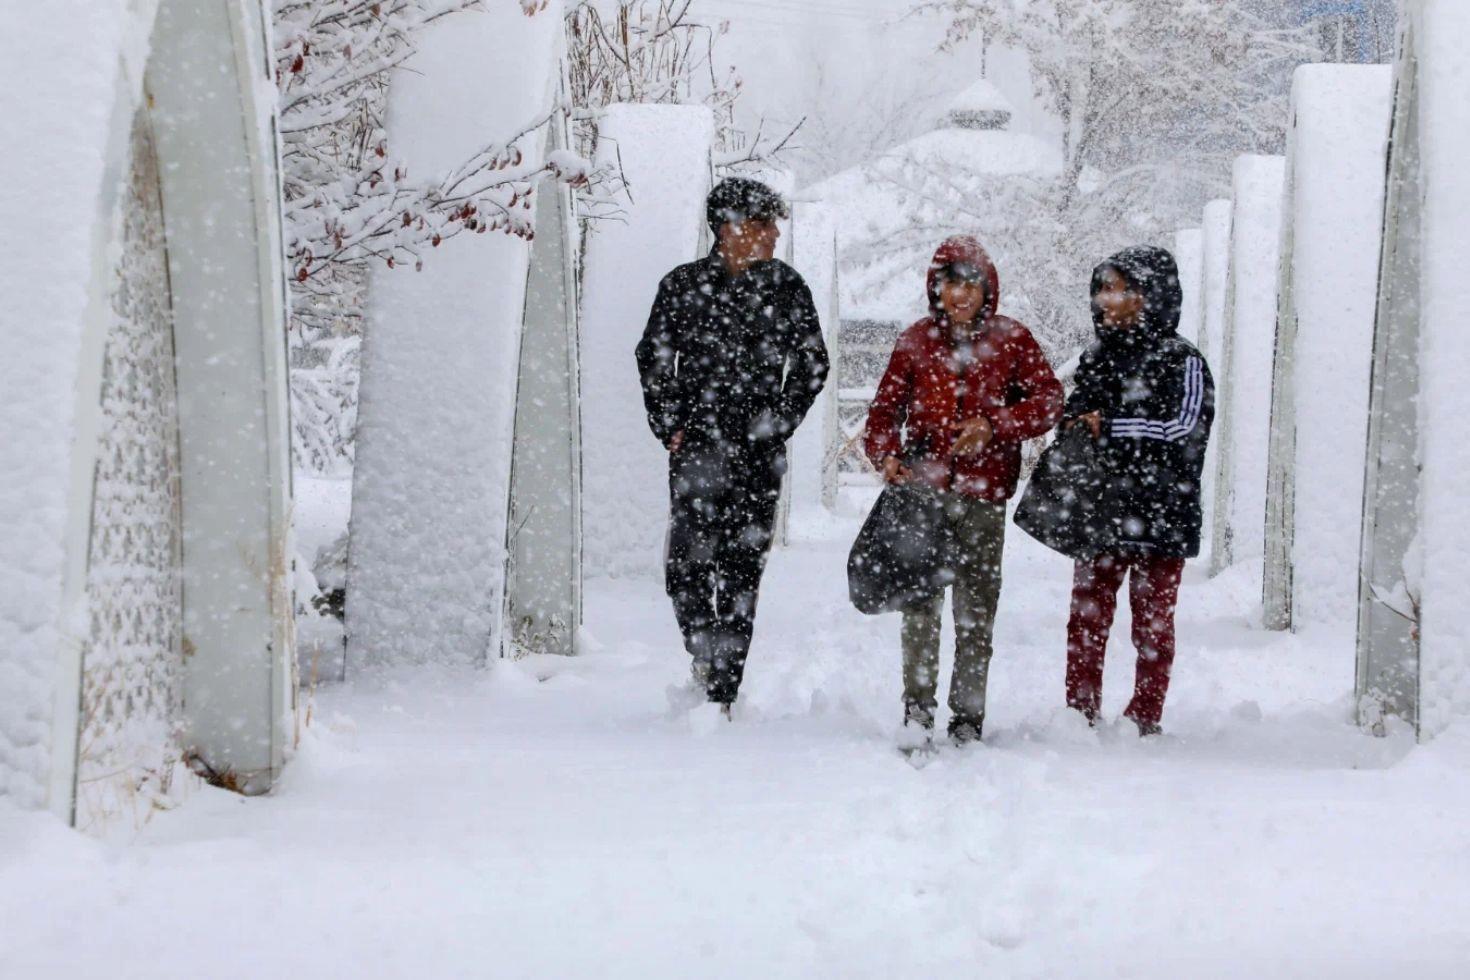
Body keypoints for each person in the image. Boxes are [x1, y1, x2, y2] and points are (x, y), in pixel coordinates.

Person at [635, 178, 830, 714]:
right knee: (687, 571)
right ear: (728, 228)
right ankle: (704, 653)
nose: (773, 234)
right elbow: (653, 357)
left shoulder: (787, 288)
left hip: (757, 455)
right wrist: (669, 422)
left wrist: (778, 422)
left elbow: (814, 364)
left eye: (774, 224)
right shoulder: (681, 286)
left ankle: (723, 691)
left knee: (742, 570)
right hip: (697, 447)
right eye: (763, 223)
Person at [864, 236, 1064, 746]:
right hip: (922, 496)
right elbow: (885, 411)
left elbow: (1048, 401)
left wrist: (995, 426)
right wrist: (885, 452)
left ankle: (968, 717)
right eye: (951, 283)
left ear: (987, 288)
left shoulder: (1013, 340)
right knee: (921, 607)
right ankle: (917, 709)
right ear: (936, 286)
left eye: (971, 284)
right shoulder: (915, 341)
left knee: (976, 610)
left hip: (983, 497)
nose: (960, 294)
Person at [1062, 246, 1215, 736]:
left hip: (1162, 515)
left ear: (1154, 296)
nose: (1110, 299)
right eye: (1104, 288)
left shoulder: (1183, 360)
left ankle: (1145, 715)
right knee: (1086, 619)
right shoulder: (1095, 358)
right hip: (1102, 510)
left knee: (1151, 624)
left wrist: (1109, 428)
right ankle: (1078, 712)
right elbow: (1074, 420)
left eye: (1124, 289)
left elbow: (1182, 430)